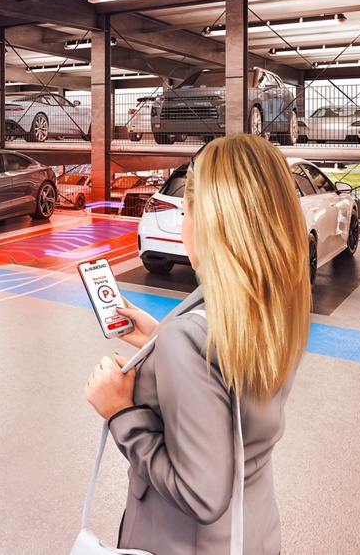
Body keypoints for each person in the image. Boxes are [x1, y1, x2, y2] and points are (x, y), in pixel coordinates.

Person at [84, 134, 311, 554]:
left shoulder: (189, 339)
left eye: (187, 211)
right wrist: (158, 337)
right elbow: (229, 374)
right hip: (253, 530)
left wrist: (121, 413)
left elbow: (202, 495)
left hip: (186, 542)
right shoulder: (273, 304)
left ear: (210, 224)